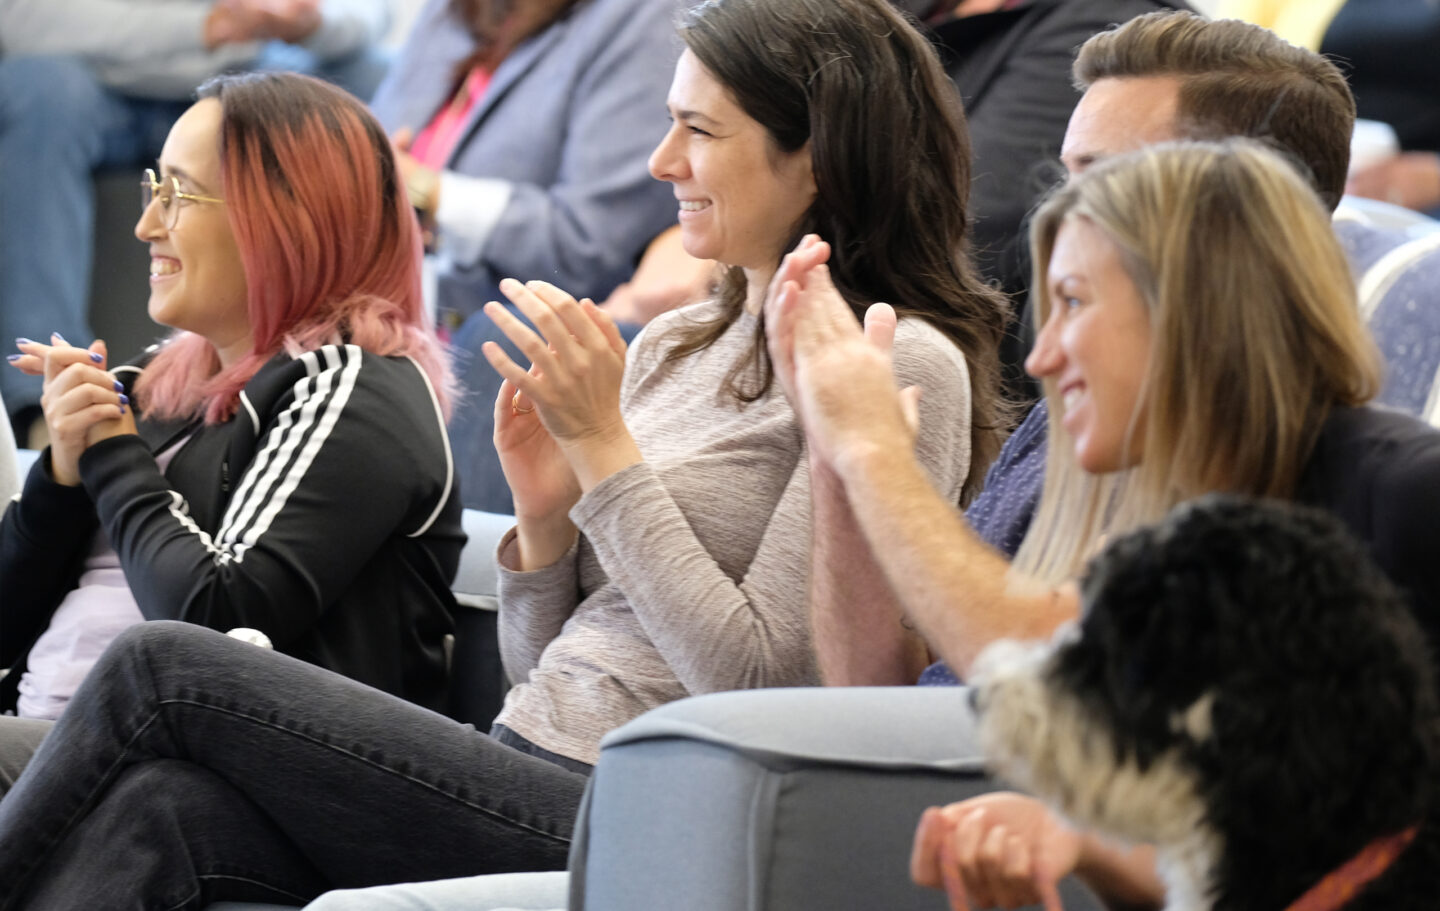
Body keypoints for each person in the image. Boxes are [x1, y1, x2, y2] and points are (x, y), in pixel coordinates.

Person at [0, 0, 1010, 904]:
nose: (662, 162)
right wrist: (541, 520)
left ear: (819, 156)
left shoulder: (896, 353)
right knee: (162, 810)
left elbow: (764, 683)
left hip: (644, 798)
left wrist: (607, 456)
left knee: (162, 665)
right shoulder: (678, 338)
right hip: (522, 758)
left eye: (697, 131)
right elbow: (555, 667)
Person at [770, 136, 1440, 908]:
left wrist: (872, 449)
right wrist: (1088, 852)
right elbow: (1249, 857)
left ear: (1193, 308)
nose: (1040, 358)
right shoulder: (1172, 519)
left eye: (1075, 303)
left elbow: (1050, 690)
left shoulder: (1406, 491)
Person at [817, 9, 1373, 687]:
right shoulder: (1068, 403)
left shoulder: (1286, 458)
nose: (1064, 214)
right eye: (1067, 178)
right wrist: (836, 467)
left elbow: (1044, 697)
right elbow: (886, 708)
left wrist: (873, 459)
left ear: (1241, 209)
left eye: (1104, 181)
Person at [0, 72, 462, 790]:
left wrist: (117, 454)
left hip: (205, 782)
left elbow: (217, 618)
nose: (146, 224)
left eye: (176, 195)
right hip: (56, 741)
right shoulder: (157, 378)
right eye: (155, 188)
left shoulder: (352, 383)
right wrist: (62, 477)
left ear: (282, 217)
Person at [0, 0, 393, 447]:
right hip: (101, 82)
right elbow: (25, 20)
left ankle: (353, 350)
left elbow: (371, 14)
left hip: (256, 74)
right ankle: (45, 402)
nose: (145, 227)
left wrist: (311, 21)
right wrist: (206, 30)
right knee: (36, 87)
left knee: (371, 75)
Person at [369, 0, 680, 514]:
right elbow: (372, 152)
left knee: (499, 344)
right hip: (391, 316)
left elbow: (590, 242)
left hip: (489, 337)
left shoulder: (645, 17)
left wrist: (427, 191)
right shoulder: (450, 13)